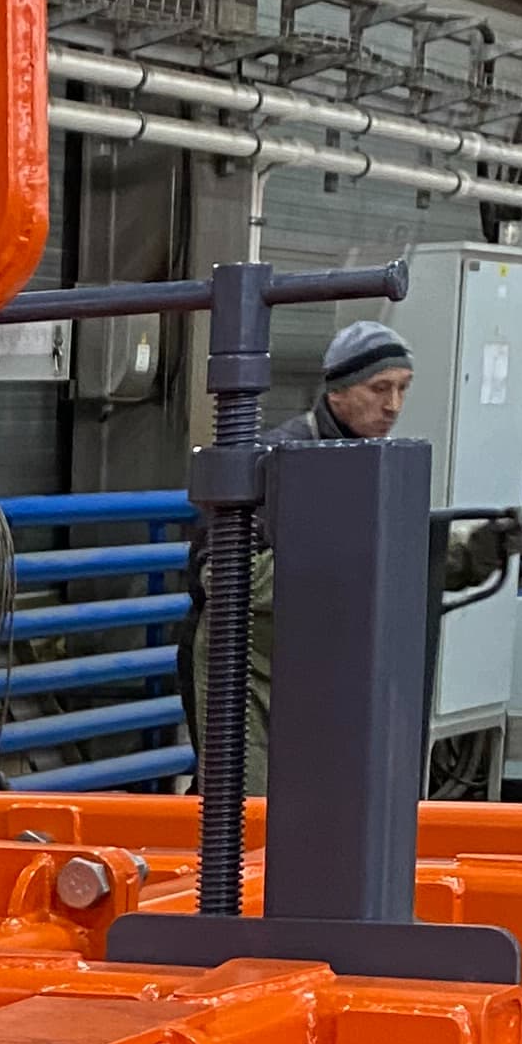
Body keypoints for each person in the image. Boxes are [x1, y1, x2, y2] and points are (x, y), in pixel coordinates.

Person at [187, 317, 418, 792]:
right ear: (338, 391)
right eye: (379, 388)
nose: (393, 405)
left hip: (320, 663)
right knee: (244, 805)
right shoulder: (277, 461)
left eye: (402, 388)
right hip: (246, 667)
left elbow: (396, 562)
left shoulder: (377, 465)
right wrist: (350, 570)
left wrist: (474, 549)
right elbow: (225, 576)